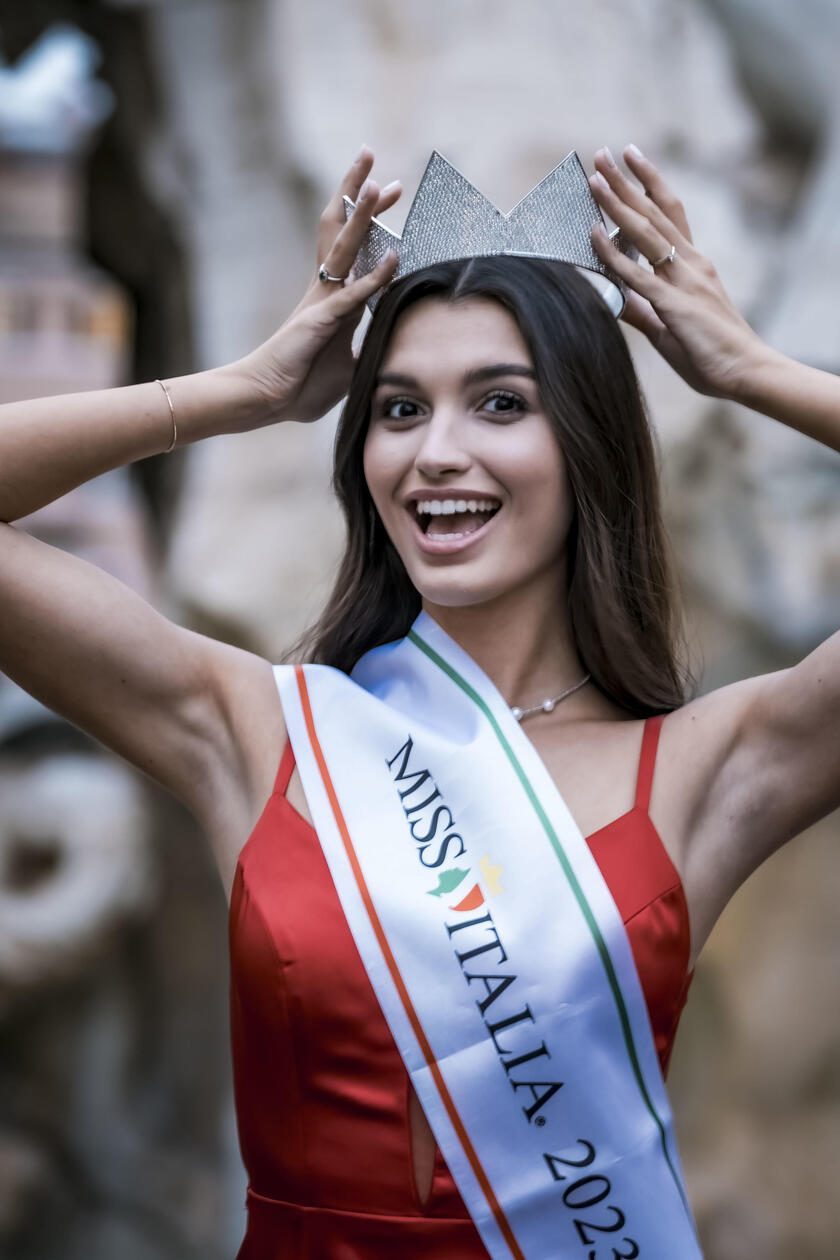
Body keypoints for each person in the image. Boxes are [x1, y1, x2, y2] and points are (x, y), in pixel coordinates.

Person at [0, 142, 837, 1258]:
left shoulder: (713, 766)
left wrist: (751, 370)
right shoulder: (259, 732)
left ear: (588, 444)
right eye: (399, 409)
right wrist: (239, 392)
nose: (437, 453)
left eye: (500, 404)